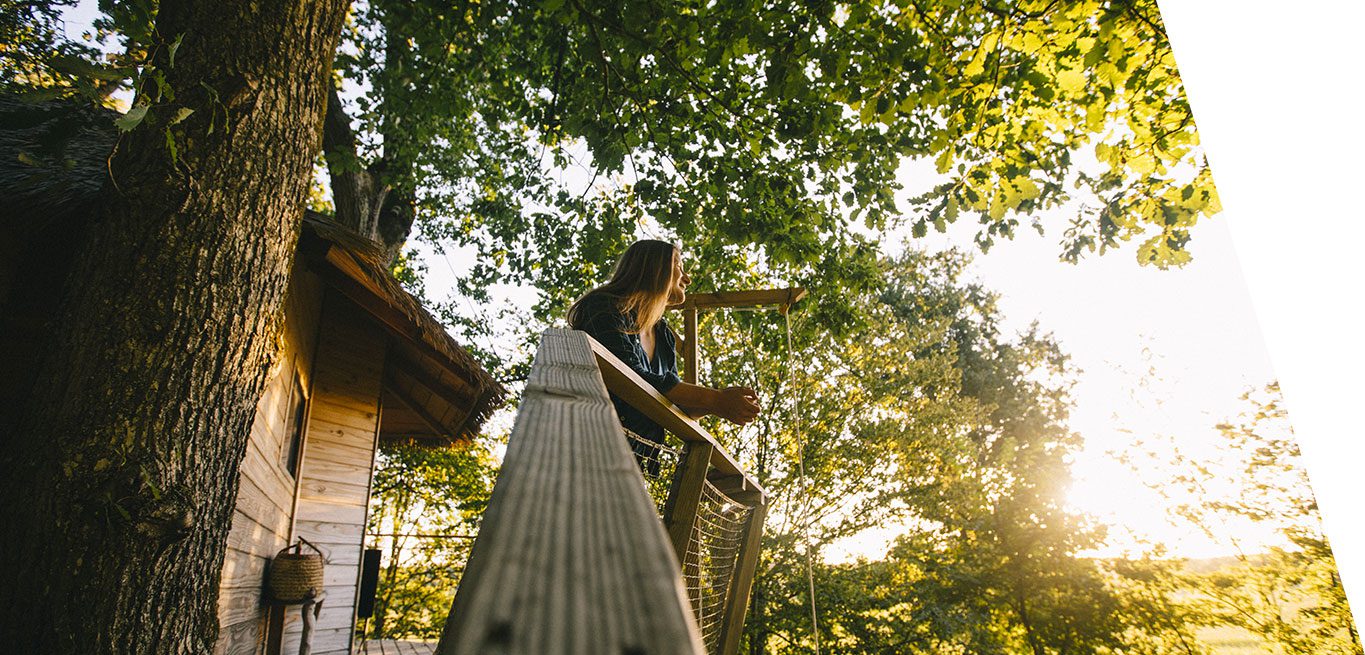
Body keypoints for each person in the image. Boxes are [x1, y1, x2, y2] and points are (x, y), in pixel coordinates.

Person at [568, 240, 761, 469]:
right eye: (679, 265)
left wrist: (718, 406)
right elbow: (630, 378)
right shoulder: (604, 307)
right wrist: (715, 398)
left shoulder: (664, 336)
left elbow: (673, 400)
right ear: (654, 268)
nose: (687, 278)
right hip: (584, 452)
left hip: (633, 463)